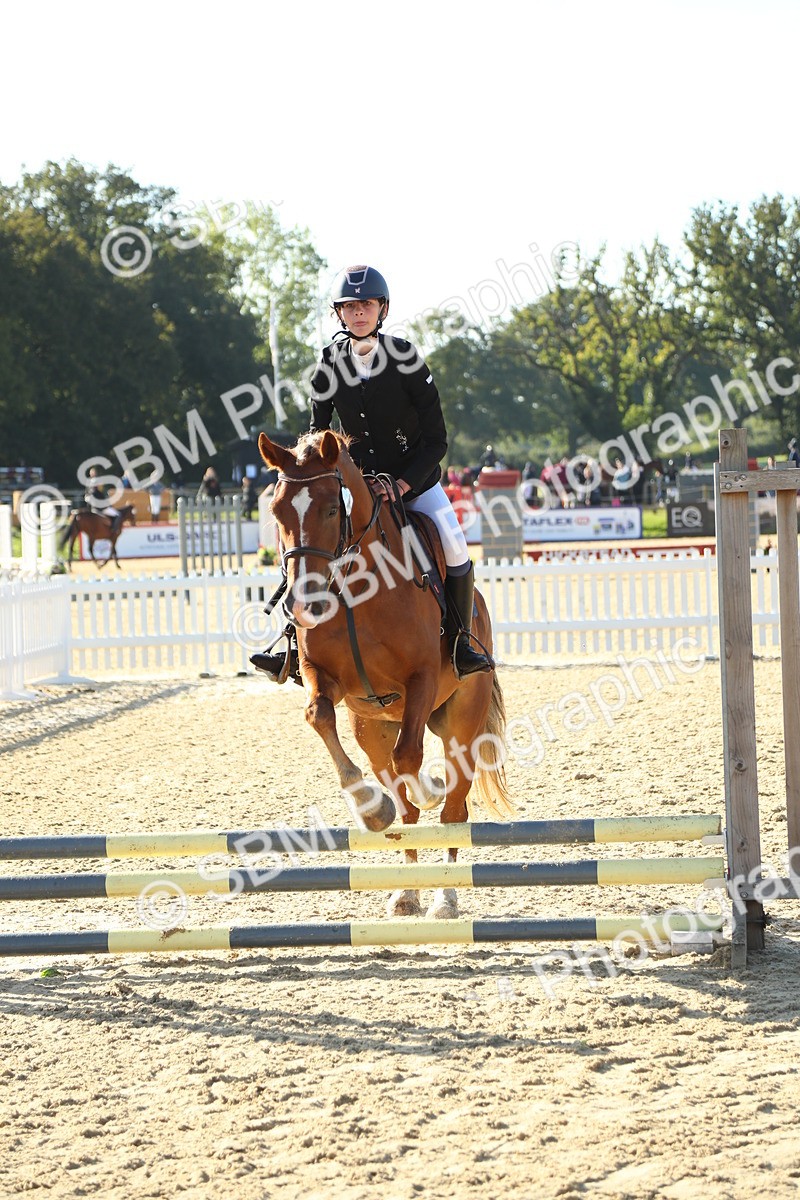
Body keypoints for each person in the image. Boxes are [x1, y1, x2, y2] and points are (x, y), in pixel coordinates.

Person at [252, 264, 493, 682]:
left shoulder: (405, 357)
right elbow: (316, 431)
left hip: (413, 482)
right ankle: (291, 644)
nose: (358, 312)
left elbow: (437, 441)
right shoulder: (328, 362)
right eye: (350, 306)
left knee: (454, 548)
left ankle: (460, 642)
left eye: (366, 304)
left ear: (381, 309)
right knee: (309, 541)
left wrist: (403, 483)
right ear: (339, 313)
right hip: (352, 485)